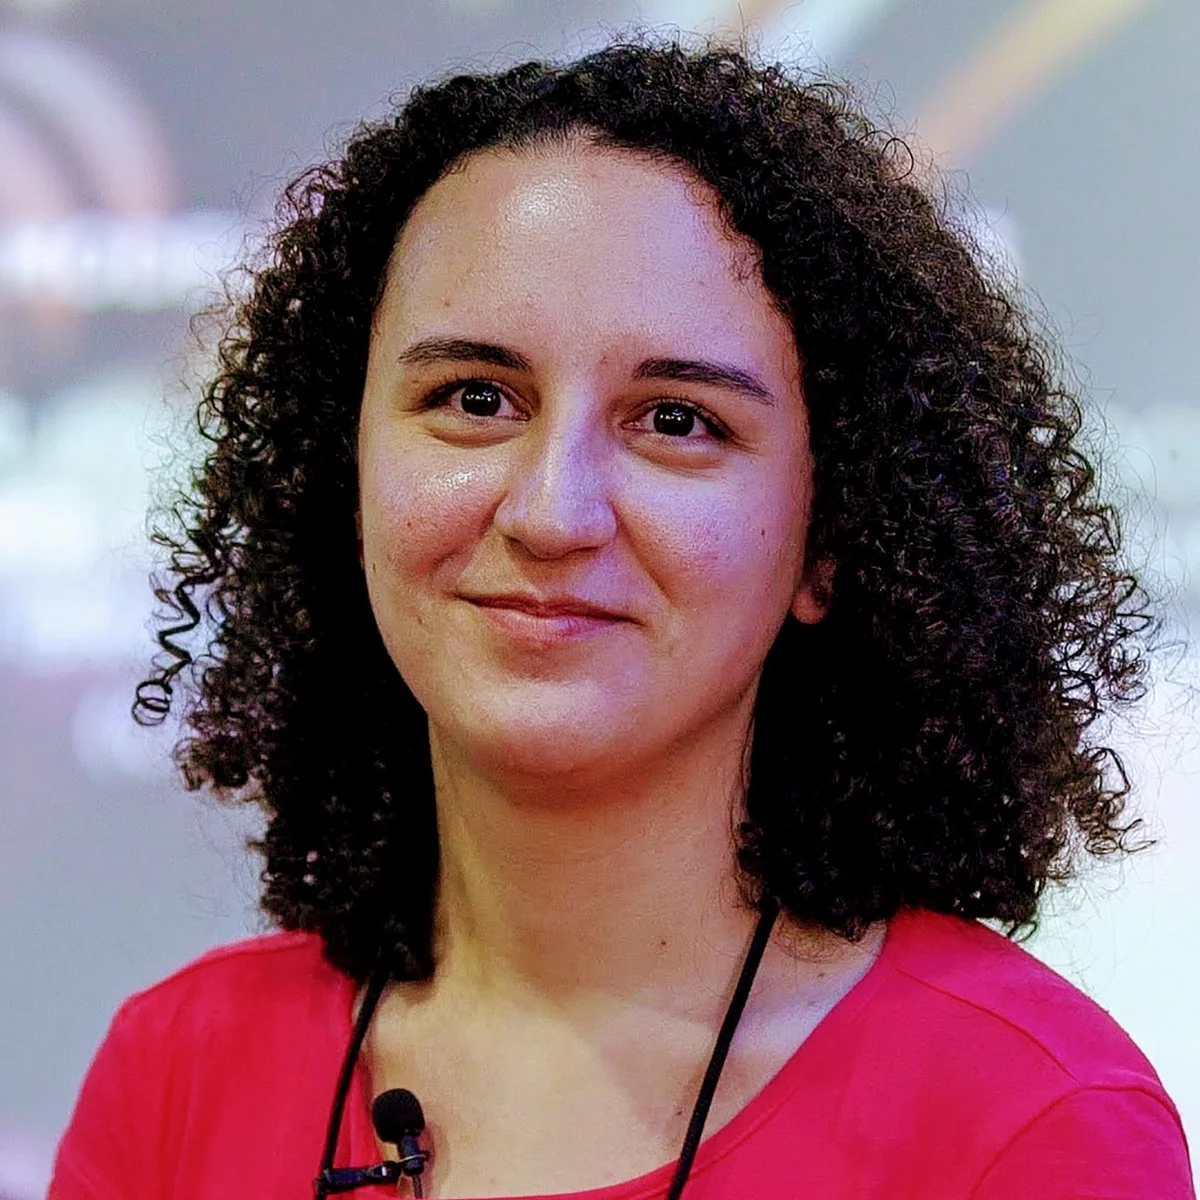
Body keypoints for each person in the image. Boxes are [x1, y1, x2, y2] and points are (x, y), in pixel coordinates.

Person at [50, 38, 1193, 1200]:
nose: (552, 513)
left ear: (832, 539)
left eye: (677, 420)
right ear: (343, 479)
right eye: (475, 399)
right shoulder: (177, 1071)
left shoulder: (1031, 1123)